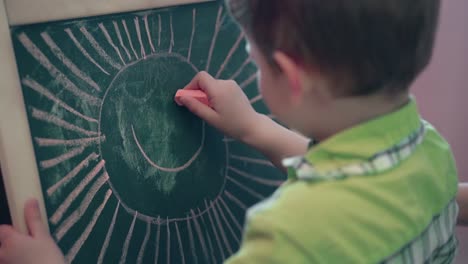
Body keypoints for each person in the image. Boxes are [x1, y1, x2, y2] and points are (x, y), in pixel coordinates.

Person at [0, 0, 462, 263]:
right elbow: (358, 182)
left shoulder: (289, 237)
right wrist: (256, 128)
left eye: (255, 58)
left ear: (289, 76)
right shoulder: (431, 151)